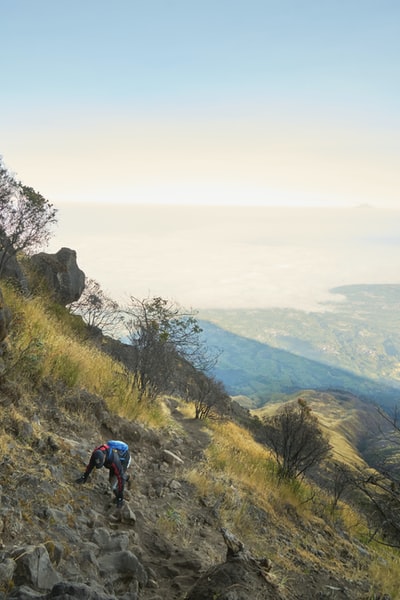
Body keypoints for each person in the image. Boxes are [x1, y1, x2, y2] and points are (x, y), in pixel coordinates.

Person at [76, 440, 131, 508]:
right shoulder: (96, 453)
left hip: (124, 461)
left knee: (113, 485)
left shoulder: (114, 460)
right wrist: (84, 477)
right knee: (111, 479)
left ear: (104, 457)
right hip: (111, 462)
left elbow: (120, 477)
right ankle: (124, 479)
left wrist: (120, 497)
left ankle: (119, 498)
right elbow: (90, 465)